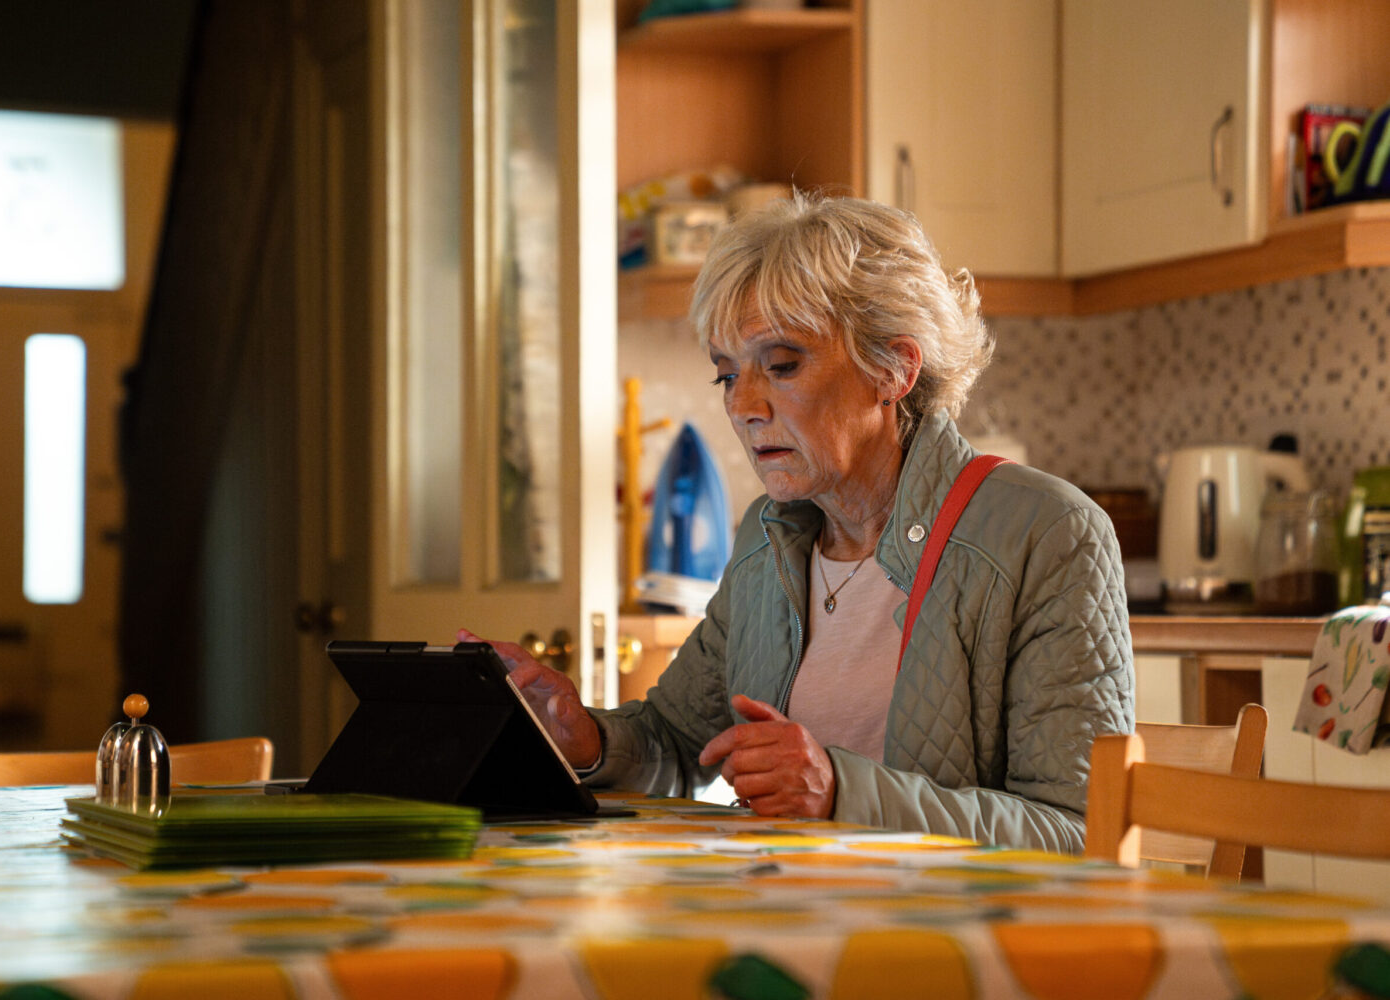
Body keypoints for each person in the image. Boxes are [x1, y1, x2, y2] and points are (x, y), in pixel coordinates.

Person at [464, 191, 1132, 853]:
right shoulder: (770, 534)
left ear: (895, 368)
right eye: (727, 376)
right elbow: (676, 745)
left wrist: (841, 793)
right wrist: (585, 738)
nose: (745, 406)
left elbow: (1078, 832)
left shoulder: (1048, 532)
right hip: (795, 919)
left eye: (782, 365)